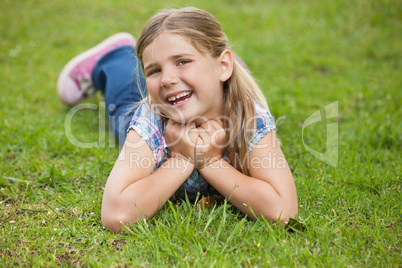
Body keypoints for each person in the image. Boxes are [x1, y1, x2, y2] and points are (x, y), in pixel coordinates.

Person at [57, 7, 298, 233]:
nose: (166, 79)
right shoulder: (149, 120)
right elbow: (115, 214)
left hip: (199, 93)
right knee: (123, 107)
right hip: (156, 112)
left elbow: (283, 212)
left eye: (182, 61)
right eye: (154, 70)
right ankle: (117, 57)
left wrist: (210, 162)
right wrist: (181, 160)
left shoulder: (249, 117)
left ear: (223, 66)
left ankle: (208, 71)